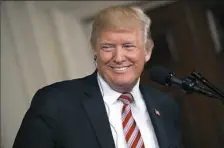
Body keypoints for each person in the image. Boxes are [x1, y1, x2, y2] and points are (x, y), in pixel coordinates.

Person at [13, 6, 182, 148]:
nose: (119, 57)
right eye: (107, 47)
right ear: (95, 51)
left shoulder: (164, 105)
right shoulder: (55, 102)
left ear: (147, 51)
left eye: (128, 46)